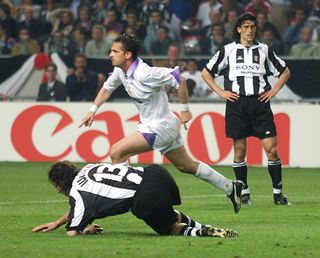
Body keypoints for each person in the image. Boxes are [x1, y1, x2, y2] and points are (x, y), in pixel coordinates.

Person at [79, 34, 244, 214]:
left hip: (160, 127)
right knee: (186, 166)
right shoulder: (121, 71)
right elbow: (107, 89)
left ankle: (126, 198)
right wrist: (92, 110)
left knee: (116, 152)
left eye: (114, 51)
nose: (110, 54)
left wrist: (185, 109)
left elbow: (178, 78)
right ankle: (231, 187)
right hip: (161, 125)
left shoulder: (146, 73)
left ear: (128, 55)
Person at [201, 12, 291, 206]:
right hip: (237, 104)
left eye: (253, 27)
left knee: (272, 150)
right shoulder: (228, 50)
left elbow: (285, 71)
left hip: (260, 103)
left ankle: (278, 194)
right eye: (246, 27)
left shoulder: (264, 50)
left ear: (255, 29)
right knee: (240, 151)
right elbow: (206, 72)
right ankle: (245, 193)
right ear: (239, 29)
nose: (250, 31)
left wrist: (274, 90)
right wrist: (220, 92)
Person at [32, 161, 239, 238]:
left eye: (56, 186)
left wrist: (84, 229)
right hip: (156, 174)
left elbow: (72, 232)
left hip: (147, 197)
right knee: (165, 212)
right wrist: (58, 221)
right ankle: (204, 225)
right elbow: (80, 208)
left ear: (60, 185)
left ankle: (203, 232)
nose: (57, 191)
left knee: (166, 227)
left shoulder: (78, 193)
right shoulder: (89, 167)